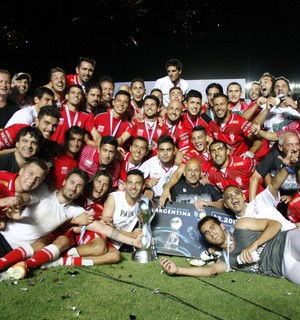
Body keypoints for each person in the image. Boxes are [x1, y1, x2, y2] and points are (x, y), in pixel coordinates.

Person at [0, 168, 142, 278]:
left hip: (20, 248)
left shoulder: (77, 210)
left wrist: (132, 241)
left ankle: (25, 264)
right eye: (72, 182)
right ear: (64, 182)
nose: (73, 188)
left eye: (79, 186)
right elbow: (26, 196)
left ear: (81, 192)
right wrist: (17, 201)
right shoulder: (44, 191)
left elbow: (106, 230)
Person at [160, 215, 300, 285]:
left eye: (213, 228)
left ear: (221, 226)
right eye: (207, 233)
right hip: (283, 268)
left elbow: (275, 224)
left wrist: (254, 244)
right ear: (207, 240)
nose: (212, 233)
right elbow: (209, 270)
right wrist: (178, 270)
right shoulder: (226, 260)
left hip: (287, 242)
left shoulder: (241, 226)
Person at [33, 170, 120, 267]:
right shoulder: (77, 197)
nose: (100, 187)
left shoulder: (101, 207)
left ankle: (62, 261)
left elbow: (100, 225)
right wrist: (78, 225)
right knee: (99, 248)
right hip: (69, 235)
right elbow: (61, 216)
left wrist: (107, 223)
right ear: (92, 182)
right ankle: (56, 256)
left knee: (115, 255)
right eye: (99, 181)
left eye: (105, 185)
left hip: (89, 235)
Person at [224, 148, 299, 231]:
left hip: (291, 234)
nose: (233, 197)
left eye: (236, 193)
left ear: (244, 197)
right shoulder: (237, 228)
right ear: (226, 205)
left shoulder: (260, 201)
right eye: (228, 197)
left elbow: (274, 186)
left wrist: (286, 168)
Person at [248, 131, 300, 214]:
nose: (294, 148)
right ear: (281, 147)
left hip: (296, 195)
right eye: (290, 145)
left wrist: (292, 196)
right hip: (277, 197)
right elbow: (254, 178)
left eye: (297, 144)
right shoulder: (273, 156)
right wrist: (252, 206)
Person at [159, 125, 211, 207]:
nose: (197, 141)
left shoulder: (214, 152)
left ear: (207, 138)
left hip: (213, 191)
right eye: (194, 139)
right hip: (199, 193)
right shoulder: (190, 154)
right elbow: (178, 173)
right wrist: (167, 189)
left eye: (200, 137)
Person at [207, 93, 268, 162]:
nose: (219, 108)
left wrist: (250, 152)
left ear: (228, 106)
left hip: (239, 163)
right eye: (216, 105)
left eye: (222, 104)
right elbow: (209, 142)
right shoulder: (212, 124)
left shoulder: (240, 121)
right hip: (223, 163)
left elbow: (258, 141)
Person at [0, 157, 49, 232]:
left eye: (38, 179)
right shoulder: (2, 179)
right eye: (30, 173)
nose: (32, 180)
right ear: (21, 171)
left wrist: (3, 220)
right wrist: (3, 201)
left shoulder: (27, 195)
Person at [101, 169, 144, 250]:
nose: (133, 187)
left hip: (128, 244)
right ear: (124, 184)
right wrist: (129, 234)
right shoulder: (114, 198)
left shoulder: (145, 202)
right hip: (109, 241)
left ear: (143, 186)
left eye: (137, 183)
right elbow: (103, 227)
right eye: (130, 182)